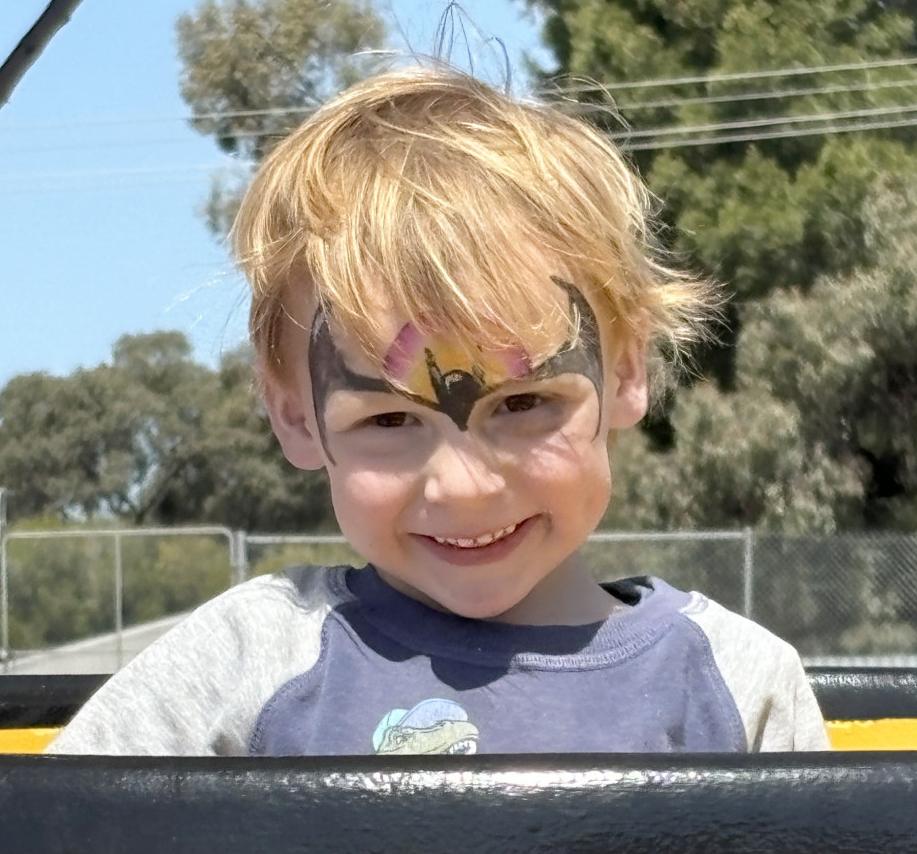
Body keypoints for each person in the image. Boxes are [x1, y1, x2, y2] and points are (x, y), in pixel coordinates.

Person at [48, 66, 829, 757]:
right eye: (388, 421)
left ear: (626, 370)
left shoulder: (737, 686)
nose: (463, 487)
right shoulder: (244, 665)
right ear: (295, 414)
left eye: (526, 403)